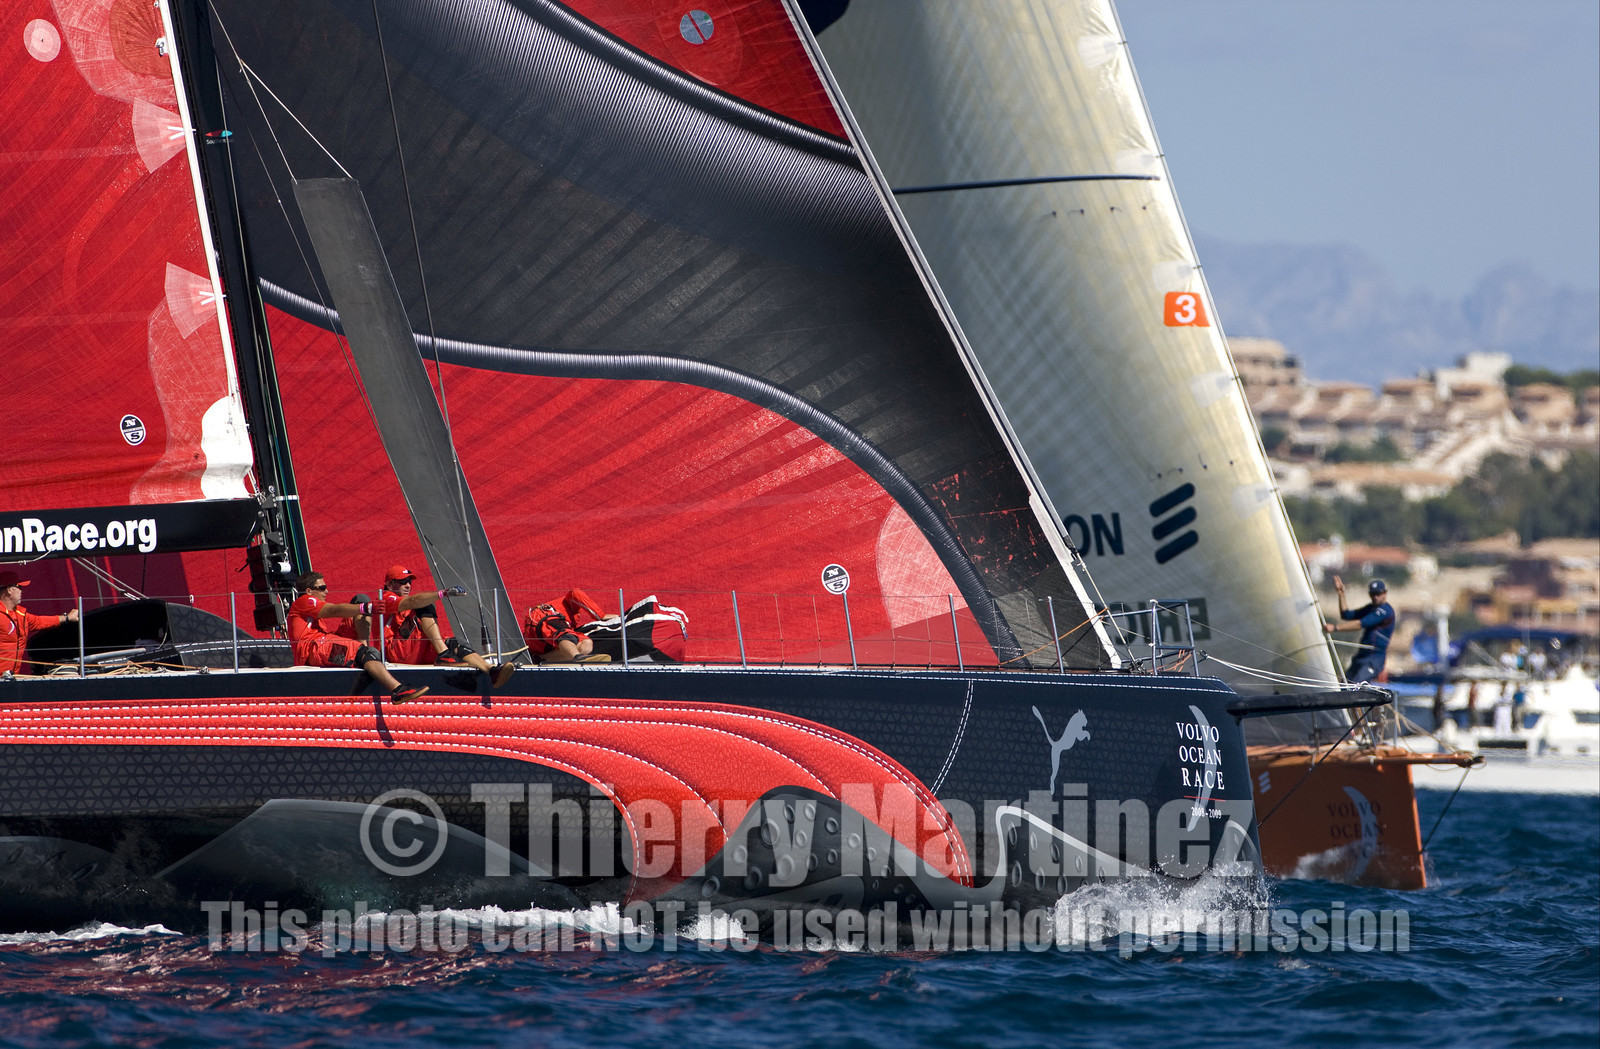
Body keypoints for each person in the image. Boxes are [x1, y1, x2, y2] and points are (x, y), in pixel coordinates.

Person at [287, 570, 427, 703]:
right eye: (322, 588)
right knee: (367, 651)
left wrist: (364, 606)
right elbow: (333, 610)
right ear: (309, 591)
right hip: (313, 649)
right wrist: (367, 608)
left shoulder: (307, 608)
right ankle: (397, 690)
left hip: (321, 644)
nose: (327, 591)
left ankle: (364, 653)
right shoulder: (304, 600)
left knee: (361, 599)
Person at [376, 564, 514, 688]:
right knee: (424, 605)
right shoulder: (385, 597)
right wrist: (443, 593)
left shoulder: (406, 604)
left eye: (409, 581)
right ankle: (443, 655)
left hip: (416, 651)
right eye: (403, 581)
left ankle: (491, 671)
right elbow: (413, 601)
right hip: (395, 654)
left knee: (455, 643)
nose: (408, 585)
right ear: (390, 585)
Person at [0, 570, 79, 675]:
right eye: (20, 587)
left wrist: (67, 617)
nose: (22, 591)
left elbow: (40, 621)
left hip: (10, 677)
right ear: (9, 590)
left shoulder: (21, 615)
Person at [1324, 576, 1395, 683]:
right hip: (1361, 656)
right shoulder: (1370, 608)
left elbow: (1361, 623)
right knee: (1344, 685)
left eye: (1378, 594)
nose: (1375, 597)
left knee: (1357, 684)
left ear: (1385, 593)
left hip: (1374, 658)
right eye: (1372, 594)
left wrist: (1335, 628)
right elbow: (1346, 615)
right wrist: (1341, 594)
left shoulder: (1386, 611)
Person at [523, 599, 611, 663]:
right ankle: (578, 657)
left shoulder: (569, 622)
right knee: (565, 635)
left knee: (586, 644)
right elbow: (575, 592)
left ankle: (538, 659)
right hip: (543, 616)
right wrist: (601, 615)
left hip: (542, 645)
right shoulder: (565, 603)